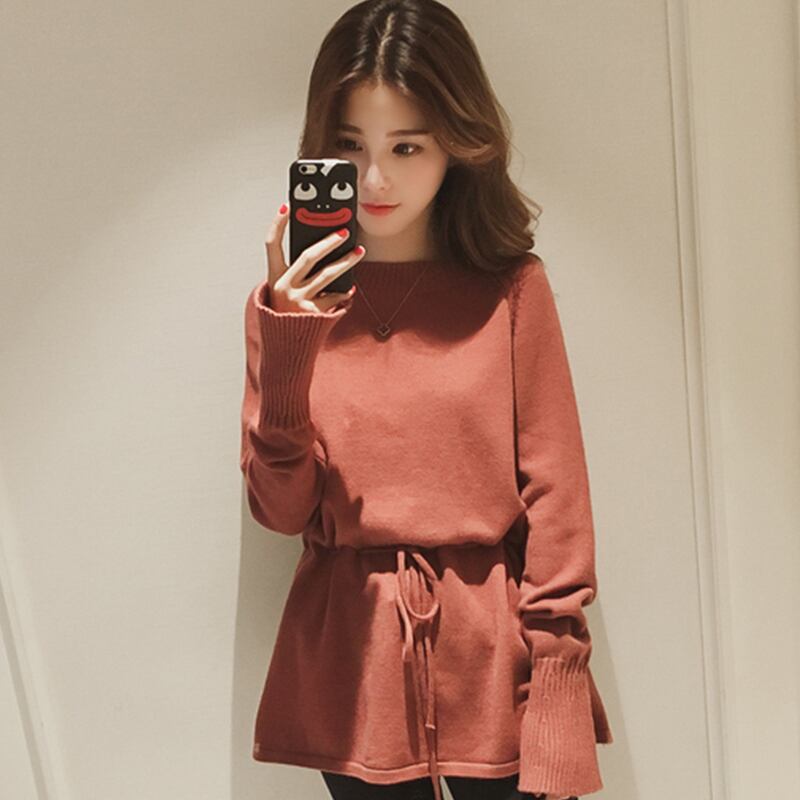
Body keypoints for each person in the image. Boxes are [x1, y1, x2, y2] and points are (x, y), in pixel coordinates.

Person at [239, 1, 613, 799]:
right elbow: (281, 509)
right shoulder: (285, 307)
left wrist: (556, 677)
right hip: (350, 661)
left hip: (495, 654)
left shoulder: (510, 288)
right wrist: (292, 339)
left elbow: (557, 492)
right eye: (351, 145)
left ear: (456, 145)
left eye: (406, 146)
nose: (376, 178)